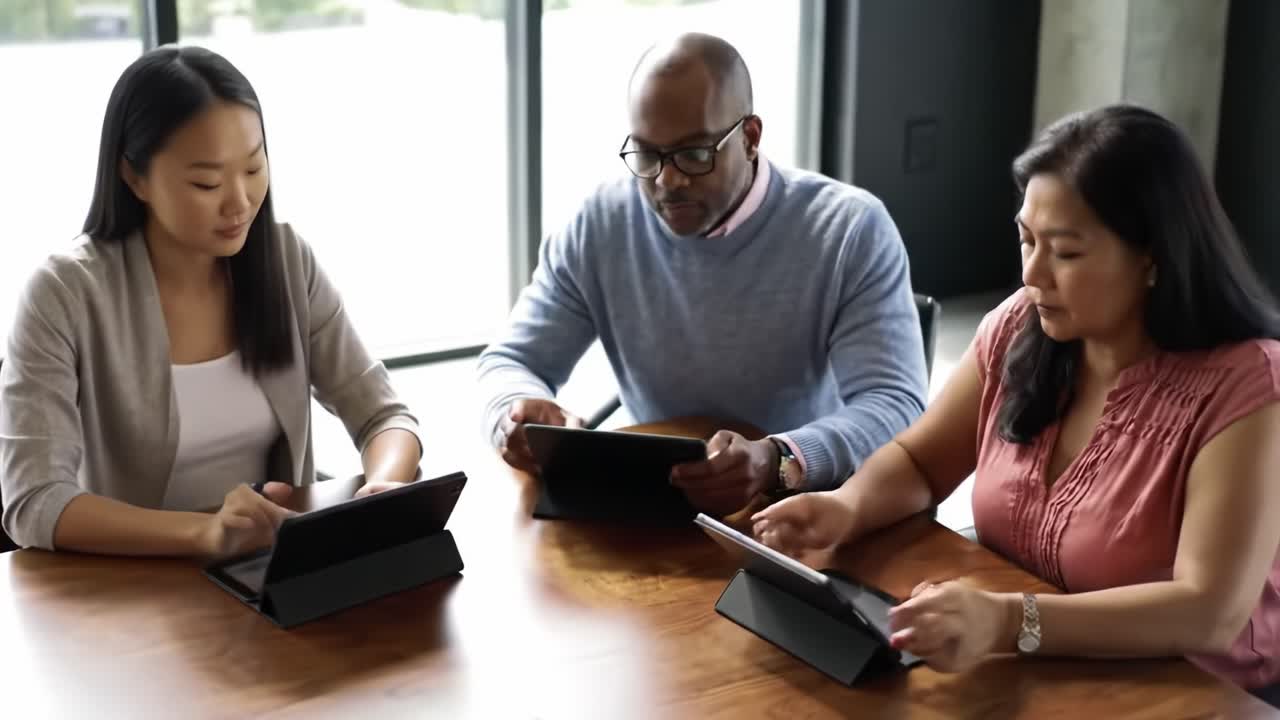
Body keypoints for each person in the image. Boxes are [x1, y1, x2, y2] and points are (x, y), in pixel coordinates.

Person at [752, 105, 1280, 701]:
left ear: (1153, 256)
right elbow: (924, 462)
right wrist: (845, 507)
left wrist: (1009, 620)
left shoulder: (1248, 385)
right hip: (1034, 673)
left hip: (1192, 693)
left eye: (1066, 252)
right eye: (1027, 238)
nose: (1033, 273)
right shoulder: (1020, 326)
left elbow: (1208, 612)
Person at [0, 46, 422, 559]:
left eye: (252, 168)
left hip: (266, 573)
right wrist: (205, 535)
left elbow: (386, 416)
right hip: (124, 589)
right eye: (207, 182)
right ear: (134, 177)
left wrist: (382, 488)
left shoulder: (286, 260)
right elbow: (34, 501)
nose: (240, 202)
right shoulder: (65, 293)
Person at [478, 33, 927, 515]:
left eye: (694, 155)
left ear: (751, 138)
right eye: (647, 155)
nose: (667, 182)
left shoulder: (848, 230)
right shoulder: (601, 222)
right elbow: (508, 362)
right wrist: (516, 412)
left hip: (801, 512)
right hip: (652, 503)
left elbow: (896, 406)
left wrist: (778, 458)